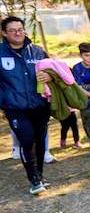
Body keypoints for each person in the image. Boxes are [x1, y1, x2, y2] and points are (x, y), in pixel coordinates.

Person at [0, 16, 52, 194]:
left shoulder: (37, 52)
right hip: (15, 108)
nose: (17, 33)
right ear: (4, 33)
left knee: (39, 140)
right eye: (13, 30)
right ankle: (34, 179)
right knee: (26, 140)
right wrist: (3, 101)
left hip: (40, 105)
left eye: (20, 29)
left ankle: (40, 174)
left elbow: (57, 72)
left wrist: (50, 77)